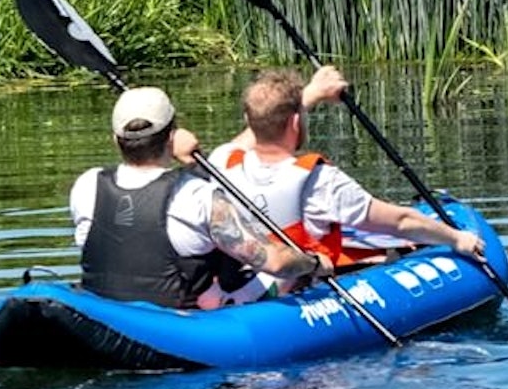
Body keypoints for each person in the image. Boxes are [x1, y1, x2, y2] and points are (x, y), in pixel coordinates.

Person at [207, 66, 486, 294]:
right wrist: (457, 238)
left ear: (248, 119)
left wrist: (311, 95)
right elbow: (401, 222)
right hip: (298, 291)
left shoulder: (222, 161)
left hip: (241, 288)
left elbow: (255, 129)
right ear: (295, 123)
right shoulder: (318, 180)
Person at [69, 86, 333, 310]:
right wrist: (312, 263)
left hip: (103, 312)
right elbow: (274, 262)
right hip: (178, 325)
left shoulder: (87, 185)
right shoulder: (197, 196)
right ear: (172, 136)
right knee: (283, 275)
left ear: (116, 140)